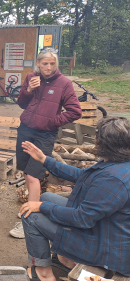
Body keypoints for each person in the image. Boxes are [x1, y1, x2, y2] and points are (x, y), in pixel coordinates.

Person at [19, 116, 130, 281]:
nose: (94, 138)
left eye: (97, 135)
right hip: (103, 228)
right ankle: (68, 260)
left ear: (103, 143)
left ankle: (44, 274)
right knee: (48, 196)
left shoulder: (113, 179)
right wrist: (44, 160)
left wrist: (41, 207)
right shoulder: (117, 162)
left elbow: (82, 218)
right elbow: (83, 176)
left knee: (32, 216)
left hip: (105, 248)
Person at [10, 48, 82, 239]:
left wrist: (52, 122)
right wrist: (28, 90)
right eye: (44, 63)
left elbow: (75, 111)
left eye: (52, 63)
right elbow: (22, 103)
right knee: (26, 171)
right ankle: (30, 206)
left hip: (44, 135)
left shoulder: (64, 83)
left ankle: (30, 218)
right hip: (26, 129)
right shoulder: (31, 77)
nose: (48, 67)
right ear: (38, 64)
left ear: (56, 64)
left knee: (34, 175)